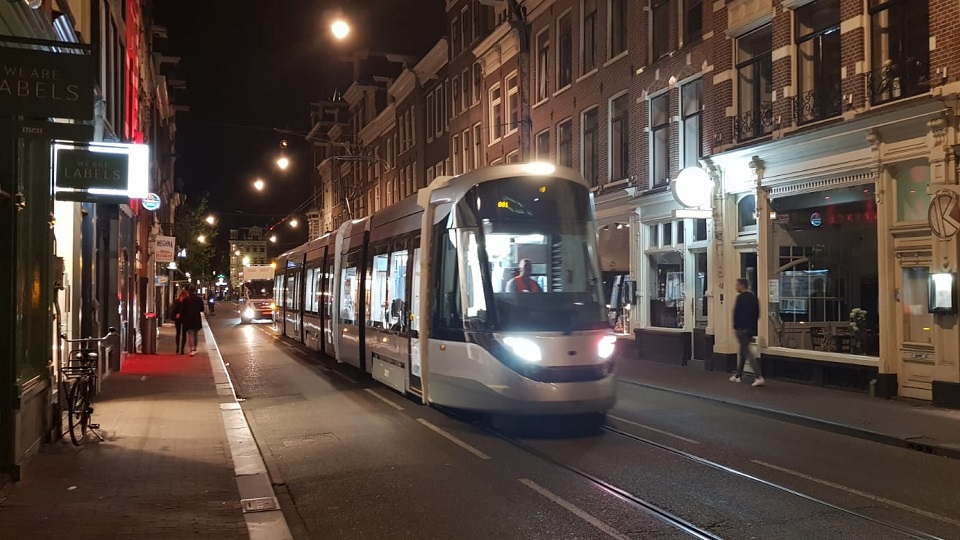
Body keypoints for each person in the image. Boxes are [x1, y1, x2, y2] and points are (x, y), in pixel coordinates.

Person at [730, 277, 763, 386]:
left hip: (741, 328)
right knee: (743, 351)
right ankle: (738, 375)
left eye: (737, 285)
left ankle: (758, 376)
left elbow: (736, 313)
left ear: (742, 286)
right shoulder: (754, 298)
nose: (736, 287)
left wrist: (735, 326)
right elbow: (758, 314)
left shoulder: (740, 298)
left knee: (747, 352)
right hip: (751, 329)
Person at [180, 285, 205, 356]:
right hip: (196, 318)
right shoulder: (199, 299)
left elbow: (183, 310)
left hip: (188, 318)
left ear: (189, 291)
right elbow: (202, 309)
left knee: (190, 334)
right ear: (195, 290)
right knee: (195, 334)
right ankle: (195, 348)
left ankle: (191, 349)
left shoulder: (186, 300)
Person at [171, 288, 189, 354]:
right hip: (184, 319)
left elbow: (174, 309)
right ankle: (181, 349)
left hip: (178, 318)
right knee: (183, 334)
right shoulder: (187, 302)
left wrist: (175, 315)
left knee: (178, 333)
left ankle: (178, 348)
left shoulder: (177, 301)